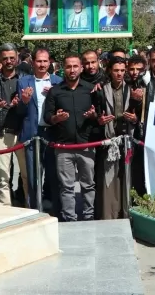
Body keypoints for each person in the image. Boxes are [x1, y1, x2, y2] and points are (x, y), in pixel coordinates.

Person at [45, 53, 98, 222]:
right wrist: (56, 118)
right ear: (63, 69)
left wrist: (93, 115)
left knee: (88, 185)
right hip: (63, 148)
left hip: (86, 146)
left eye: (76, 66)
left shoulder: (90, 89)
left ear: (81, 68)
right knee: (66, 187)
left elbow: (99, 116)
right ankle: (70, 219)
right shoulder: (55, 91)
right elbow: (48, 117)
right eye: (69, 66)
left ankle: (89, 216)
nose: (72, 70)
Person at [0, 43, 27, 207]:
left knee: (27, 176)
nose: (9, 61)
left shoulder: (25, 77)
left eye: (11, 58)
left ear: (17, 58)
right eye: (5, 58)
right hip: (1, 133)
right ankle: (6, 211)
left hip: (22, 132)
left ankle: (30, 208)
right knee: (2, 177)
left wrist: (22, 102)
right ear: (0, 59)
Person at [18, 48, 62, 212]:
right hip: (32, 134)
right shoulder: (24, 82)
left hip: (52, 134)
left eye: (45, 61)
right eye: (39, 61)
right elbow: (20, 113)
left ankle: (55, 209)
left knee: (53, 174)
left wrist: (54, 95)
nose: (42, 64)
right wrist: (24, 100)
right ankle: (34, 210)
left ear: (50, 62)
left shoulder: (58, 81)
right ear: (33, 62)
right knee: (32, 176)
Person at [98, 56, 137, 219]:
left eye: (122, 70)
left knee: (126, 178)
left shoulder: (132, 90)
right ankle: (110, 216)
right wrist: (100, 121)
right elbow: (97, 116)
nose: (119, 74)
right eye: (116, 70)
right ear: (109, 71)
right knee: (109, 180)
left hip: (127, 140)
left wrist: (134, 120)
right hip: (109, 141)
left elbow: (138, 116)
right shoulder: (100, 90)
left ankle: (126, 214)